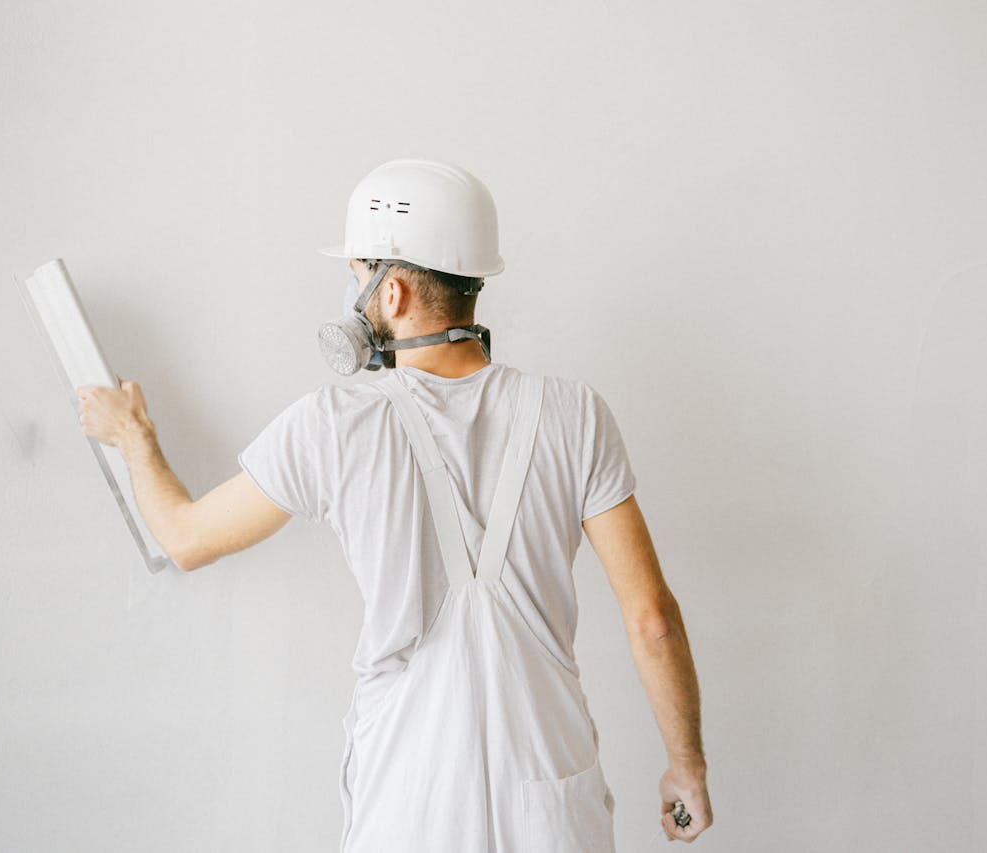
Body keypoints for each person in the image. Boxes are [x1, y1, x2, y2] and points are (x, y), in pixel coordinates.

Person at [76, 158, 712, 850]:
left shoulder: (332, 423)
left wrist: (132, 435)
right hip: (550, 800)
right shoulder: (575, 414)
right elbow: (652, 619)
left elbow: (184, 537)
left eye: (357, 279)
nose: (354, 299)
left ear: (395, 292)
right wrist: (687, 767)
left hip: (411, 804)